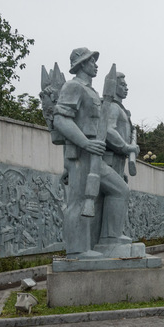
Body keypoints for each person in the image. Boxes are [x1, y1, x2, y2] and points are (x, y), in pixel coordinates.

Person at [53, 47, 138, 258]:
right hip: (83, 154)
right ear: (81, 64)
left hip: (94, 153)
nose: (95, 65)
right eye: (91, 61)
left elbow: (100, 127)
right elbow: (60, 119)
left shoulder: (92, 92)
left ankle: (109, 239)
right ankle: (77, 250)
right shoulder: (73, 86)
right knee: (79, 201)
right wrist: (85, 143)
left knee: (120, 190)